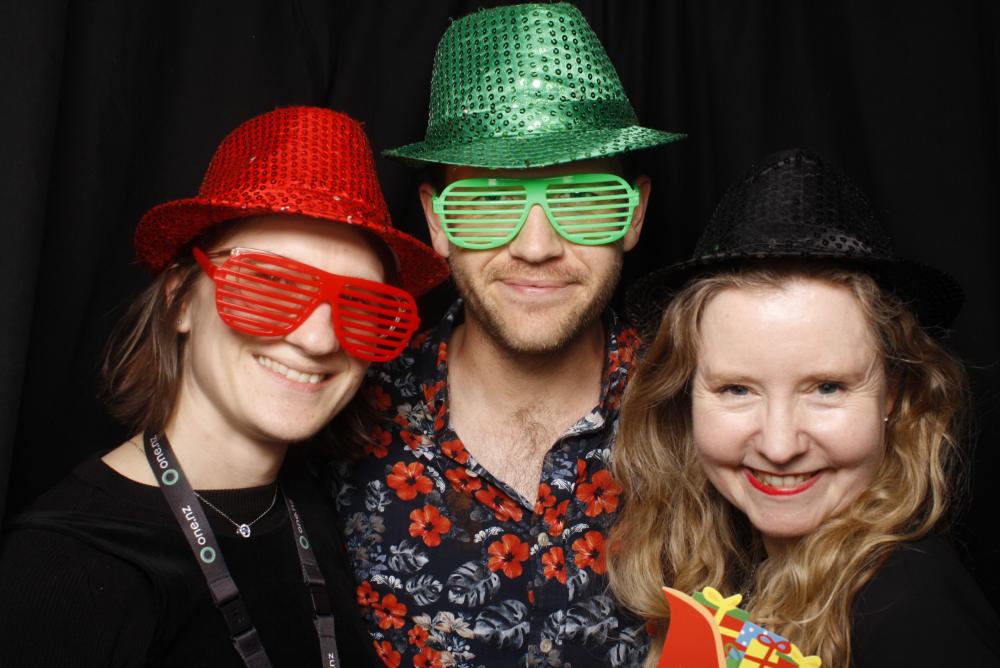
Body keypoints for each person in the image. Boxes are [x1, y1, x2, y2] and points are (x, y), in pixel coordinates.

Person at [0, 106, 448, 667]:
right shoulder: (61, 568)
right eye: (270, 285)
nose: (318, 338)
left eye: (361, 305)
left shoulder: (318, 508)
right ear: (180, 301)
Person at [334, 3, 684, 666]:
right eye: (491, 200)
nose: (536, 247)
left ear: (635, 214)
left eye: (580, 197)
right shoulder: (344, 422)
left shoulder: (703, 408)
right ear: (437, 224)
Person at [608, 148, 1000, 667]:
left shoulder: (914, 613)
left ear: (892, 393)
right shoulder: (739, 568)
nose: (779, 445)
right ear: (685, 396)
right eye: (737, 389)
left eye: (827, 388)